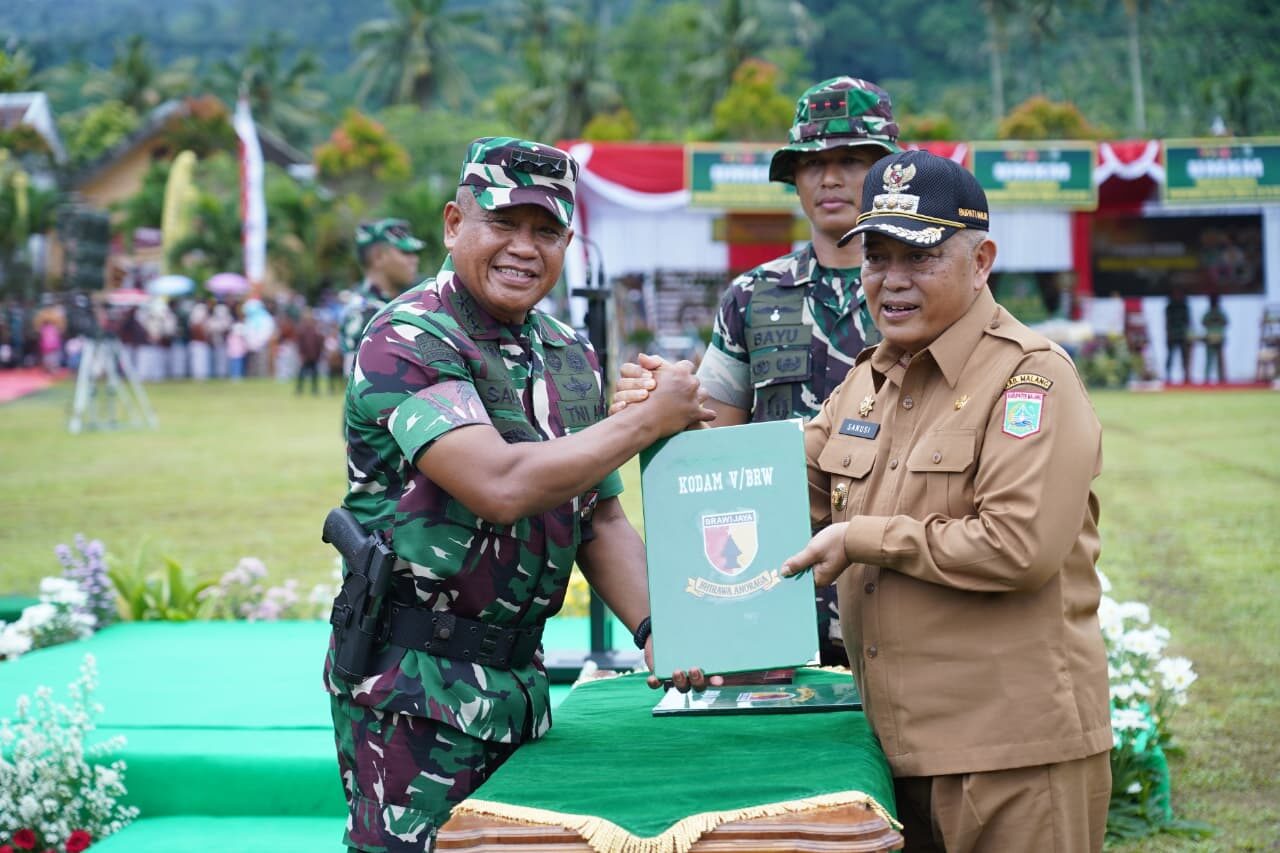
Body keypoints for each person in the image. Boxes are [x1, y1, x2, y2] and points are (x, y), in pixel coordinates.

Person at [325, 136, 718, 853]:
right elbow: (499, 486)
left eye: (545, 231)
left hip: (520, 688)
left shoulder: (568, 350)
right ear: (453, 224)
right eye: (502, 223)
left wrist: (659, 626)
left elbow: (596, 516)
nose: (523, 248)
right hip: (414, 694)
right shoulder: (409, 335)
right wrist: (645, 421)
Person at [775, 150, 1112, 851]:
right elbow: (776, 493)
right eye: (876, 257)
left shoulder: (1031, 379)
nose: (891, 281)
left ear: (981, 259)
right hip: (895, 756)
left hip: (1012, 757)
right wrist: (668, 423)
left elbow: (1017, 546)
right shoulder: (867, 382)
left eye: (919, 257)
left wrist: (863, 537)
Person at [617, 76, 901, 667]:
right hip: (779, 585)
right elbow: (714, 445)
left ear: (884, 173)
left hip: (897, 573)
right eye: (812, 162)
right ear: (793, 178)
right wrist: (655, 402)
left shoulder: (919, 289)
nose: (829, 178)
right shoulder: (752, 296)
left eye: (851, 161)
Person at [339, 218, 426, 376]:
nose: (415, 259)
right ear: (378, 257)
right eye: (406, 252)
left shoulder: (405, 302)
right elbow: (357, 385)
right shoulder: (364, 312)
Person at [1164, 288, 1191, 383]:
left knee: (1184, 357)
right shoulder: (1169, 307)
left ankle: (1186, 376)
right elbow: (1167, 323)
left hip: (1181, 335)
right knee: (1170, 356)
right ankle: (1167, 376)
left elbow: (1188, 322)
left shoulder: (1184, 307)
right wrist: (1168, 334)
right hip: (1172, 335)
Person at [1202, 293, 1228, 383]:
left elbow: (1225, 322)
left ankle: (1221, 379)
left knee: (1219, 360)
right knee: (1210, 359)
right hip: (1210, 338)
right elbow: (1204, 323)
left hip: (1218, 338)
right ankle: (1207, 379)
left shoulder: (1219, 313)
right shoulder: (1209, 313)